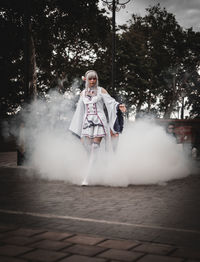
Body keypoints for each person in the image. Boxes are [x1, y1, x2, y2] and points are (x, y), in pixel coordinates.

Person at [69, 70, 126, 185]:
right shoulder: (82, 93)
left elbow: (111, 102)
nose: (92, 81)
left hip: (100, 122)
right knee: (88, 150)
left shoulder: (101, 91)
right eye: (90, 79)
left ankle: (87, 178)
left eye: (94, 78)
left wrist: (118, 106)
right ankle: (98, 170)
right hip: (87, 124)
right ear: (86, 80)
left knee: (95, 148)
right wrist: (79, 131)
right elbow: (79, 112)